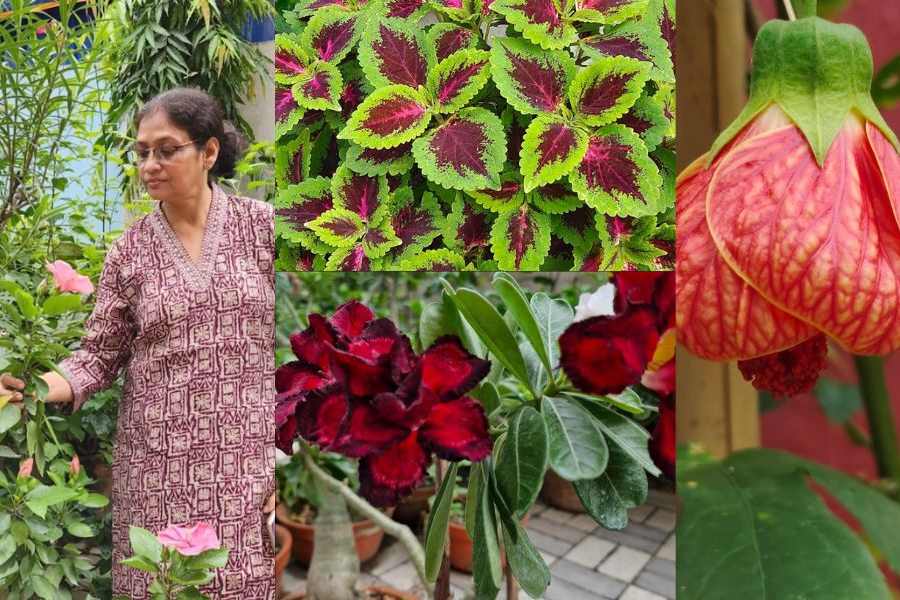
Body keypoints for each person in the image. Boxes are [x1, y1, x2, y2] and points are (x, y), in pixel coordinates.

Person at [0, 88, 276, 599]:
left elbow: (290, 352)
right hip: (157, 467)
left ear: (208, 152)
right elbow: (98, 357)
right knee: (159, 586)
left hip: (242, 465)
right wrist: (34, 389)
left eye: (167, 149)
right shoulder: (130, 250)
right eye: (142, 151)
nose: (150, 164)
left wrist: (277, 456)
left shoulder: (262, 229)